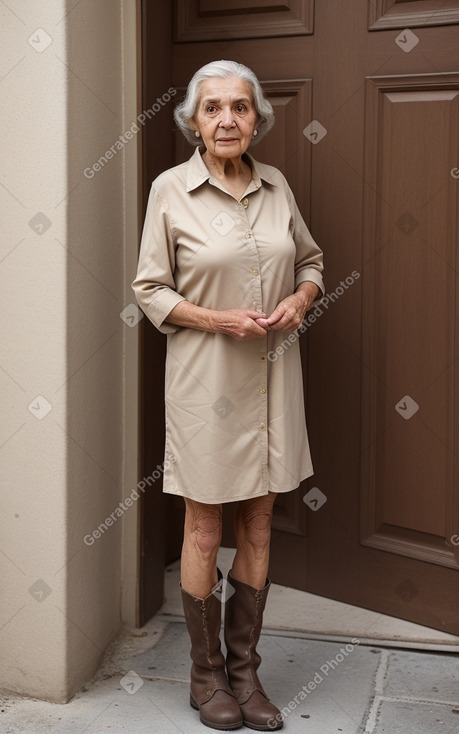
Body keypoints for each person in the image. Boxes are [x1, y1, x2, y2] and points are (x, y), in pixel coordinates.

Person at [132, 59, 324, 731]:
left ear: (256, 118)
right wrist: (220, 319)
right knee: (205, 524)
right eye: (212, 108)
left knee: (260, 520)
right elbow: (148, 290)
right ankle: (205, 676)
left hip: (274, 379)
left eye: (239, 107)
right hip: (204, 383)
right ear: (192, 120)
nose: (226, 120)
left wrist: (301, 299)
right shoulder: (170, 190)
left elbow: (310, 261)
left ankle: (245, 674)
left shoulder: (275, 184)